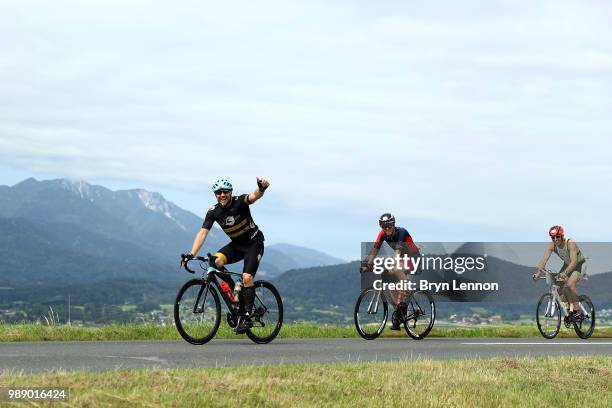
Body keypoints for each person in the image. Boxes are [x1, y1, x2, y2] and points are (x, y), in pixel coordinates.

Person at [182, 177, 269, 334]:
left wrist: (261, 189)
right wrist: (191, 254)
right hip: (236, 245)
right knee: (214, 262)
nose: (222, 195)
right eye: (219, 192)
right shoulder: (213, 212)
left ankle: (247, 317)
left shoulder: (240, 201)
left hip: (254, 243)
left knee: (247, 278)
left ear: (231, 192)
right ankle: (234, 295)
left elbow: (253, 196)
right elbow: (203, 233)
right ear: (215, 194)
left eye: (225, 192)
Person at [361, 213, 421, 330]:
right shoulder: (382, 234)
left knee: (396, 269)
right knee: (387, 279)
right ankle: (399, 313)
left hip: (414, 259)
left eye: (389, 226)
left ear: (393, 225)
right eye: (384, 227)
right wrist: (367, 265)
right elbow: (374, 251)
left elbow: (397, 253)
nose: (387, 229)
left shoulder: (402, 232)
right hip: (402, 259)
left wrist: (392, 264)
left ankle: (407, 291)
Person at [533, 225, 586, 321]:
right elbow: (544, 260)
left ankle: (578, 312)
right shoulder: (551, 245)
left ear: (562, 235)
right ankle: (569, 310)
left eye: (557, 236)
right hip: (567, 265)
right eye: (553, 237)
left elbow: (574, 262)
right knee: (558, 287)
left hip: (579, 264)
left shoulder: (570, 243)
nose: (555, 239)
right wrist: (538, 273)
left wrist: (565, 273)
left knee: (570, 284)